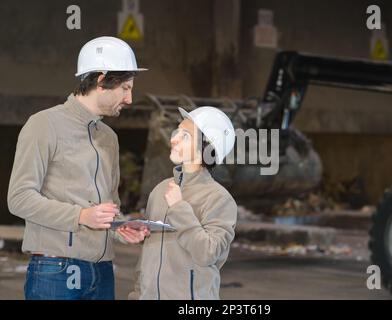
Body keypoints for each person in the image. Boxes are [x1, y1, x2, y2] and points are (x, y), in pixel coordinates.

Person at [7, 36, 148, 300]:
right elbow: (19, 198)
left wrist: (119, 228)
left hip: (103, 271)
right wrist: (81, 216)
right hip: (56, 271)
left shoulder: (109, 138)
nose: (130, 99)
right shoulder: (43, 125)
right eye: (126, 88)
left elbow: (109, 205)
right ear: (102, 80)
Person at [130, 106, 237, 300]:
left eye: (185, 136)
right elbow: (148, 255)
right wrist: (137, 294)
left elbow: (208, 253)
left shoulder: (219, 199)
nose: (173, 139)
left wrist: (179, 208)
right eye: (176, 131)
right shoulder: (161, 190)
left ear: (206, 148)